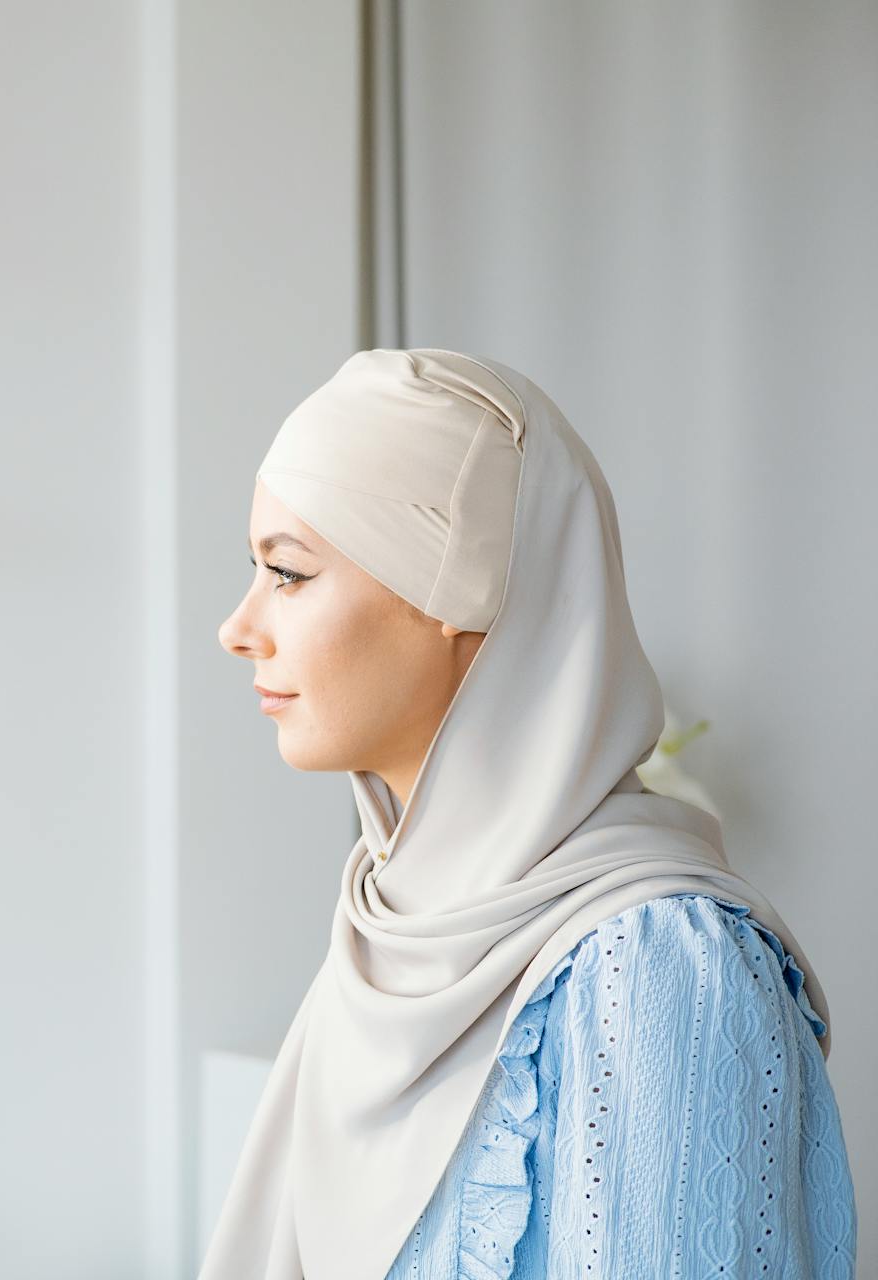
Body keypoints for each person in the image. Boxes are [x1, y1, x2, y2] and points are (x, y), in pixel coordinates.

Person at [197, 349, 856, 1279]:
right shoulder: (389, 934)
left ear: (455, 592)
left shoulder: (659, 969)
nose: (239, 627)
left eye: (289, 574)